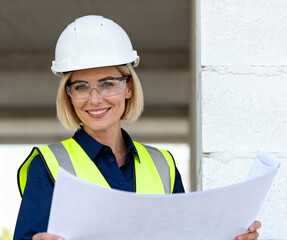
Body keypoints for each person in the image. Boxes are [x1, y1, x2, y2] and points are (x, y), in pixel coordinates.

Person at [13, 15, 261, 240]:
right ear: (68, 96)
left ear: (129, 87)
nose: (95, 98)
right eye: (81, 87)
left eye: (108, 84)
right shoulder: (48, 164)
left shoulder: (163, 166)